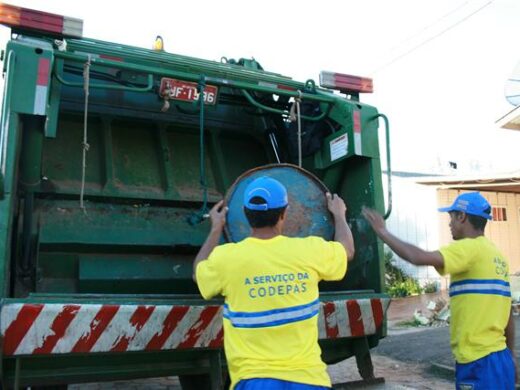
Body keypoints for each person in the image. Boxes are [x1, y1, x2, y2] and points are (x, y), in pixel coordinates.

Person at [193, 176, 355, 390]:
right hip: (308, 380)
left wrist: (215, 228)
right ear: (284, 213)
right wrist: (339, 216)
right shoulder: (309, 251)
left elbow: (198, 272)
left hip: (253, 380)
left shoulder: (227, 259)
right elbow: (347, 251)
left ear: (245, 213)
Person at [362, 191, 516, 389]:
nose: (449, 223)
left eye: (451, 217)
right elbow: (508, 312)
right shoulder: (497, 256)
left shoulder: (468, 248)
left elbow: (418, 257)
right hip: (499, 358)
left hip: (478, 360)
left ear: (462, 216)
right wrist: (511, 357)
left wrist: (383, 232)